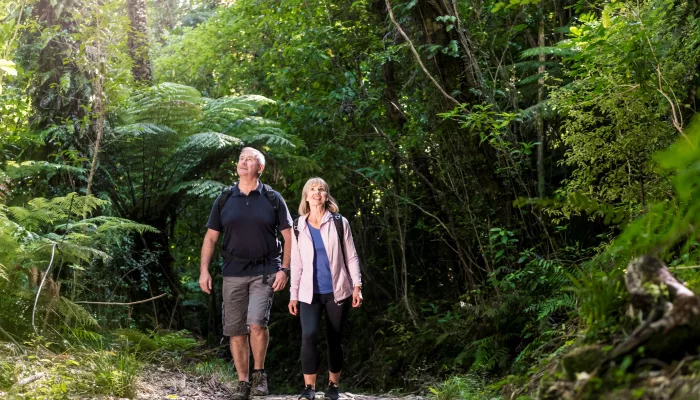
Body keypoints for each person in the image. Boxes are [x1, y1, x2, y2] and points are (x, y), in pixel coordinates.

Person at [199, 147, 293, 399]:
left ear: (259, 168)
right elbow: (210, 238)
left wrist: (284, 269)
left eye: (249, 160)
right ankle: (243, 382)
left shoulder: (273, 199)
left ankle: (259, 375)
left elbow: (288, 236)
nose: (243, 162)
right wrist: (204, 271)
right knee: (236, 329)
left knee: (256, 323)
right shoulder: (224, 198)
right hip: (232, 271)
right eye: (241, 159)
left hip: (265, 270)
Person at [288, 177, 363, 400]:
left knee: (334, 338)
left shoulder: (340, 222)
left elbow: (351, 256)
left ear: (326, 196)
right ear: (306, 196)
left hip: (337, 291)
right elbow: (296, 263)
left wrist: (357, 286)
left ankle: (332, 386)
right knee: (309, 336)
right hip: (308, 293)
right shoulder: (298, 225)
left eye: (321, 189)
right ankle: (309, 388)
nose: (317, 193)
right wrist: (293, 294)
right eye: (312, 189)